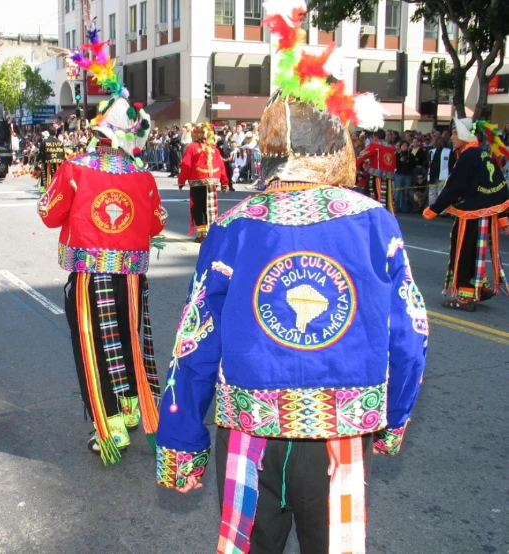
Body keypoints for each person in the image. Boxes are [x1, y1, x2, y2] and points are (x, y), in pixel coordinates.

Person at [156, 5, 428, 553]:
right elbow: (411, 331)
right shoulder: (373, 222)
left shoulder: (234, 226)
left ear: (270, 148)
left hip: (248, 437)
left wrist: (182, 440)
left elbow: (194, 343)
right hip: (340, 438)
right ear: (337, 145)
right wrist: (393, 417)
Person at [39, 29, 167, 464]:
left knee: (94, 346)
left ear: (99, 131)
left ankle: (109, 427)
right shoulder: (143, 176)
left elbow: (48, 213)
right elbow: (155, 224)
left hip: (90, 275)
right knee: (129, 341)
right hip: (131, 277)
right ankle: (132, 410)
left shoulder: (75, 168)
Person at [423, 118, 509, 311]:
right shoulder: (483, 154)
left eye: (454, 133)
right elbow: (501, 186)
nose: (451, 137)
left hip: (471, 213)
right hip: (485, 214)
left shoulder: (468, 155)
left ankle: (465, 297)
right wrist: (503, 218)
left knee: (463, 251)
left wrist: (433, 209)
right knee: (476, 251)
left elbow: (455, 187)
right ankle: (482, 286)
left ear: (464, 135)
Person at [178, 123, 229, 243]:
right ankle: (210, 232)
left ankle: (202, 234)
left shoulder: (192, 147)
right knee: (209, 207)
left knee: (199, 207)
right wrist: (224, 182)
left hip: (198, 180)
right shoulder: (214, 149)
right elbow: (221, 166)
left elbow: (186, 165)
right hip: (212, 181)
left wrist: (181, 181)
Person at [356, 129, 396, 213]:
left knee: (374, 196)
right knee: (386, 198)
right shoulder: (390, 147)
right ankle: (386, 214)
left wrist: (354, 167)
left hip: (376, 176)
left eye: (372, 137)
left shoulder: (375, 145)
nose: (371, 139)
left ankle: (376, 214)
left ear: (375, 136)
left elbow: (362, 156)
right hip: (388, 177)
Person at [37, 128, 65, 194]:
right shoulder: (59, 142)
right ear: (55, 132)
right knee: (57, 175)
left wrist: (37, 160)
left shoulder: (44, 141)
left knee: (45, 175)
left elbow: (41, 152)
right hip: (58, 162)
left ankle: (44, 189)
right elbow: (62, 153)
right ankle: (57, 188)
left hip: (47, 161)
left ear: (49, 133)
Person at [394, 141, 415, 213]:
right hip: (399, 174)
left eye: (406, 145)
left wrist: (408, 161)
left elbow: (413, 165)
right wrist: (400, 161)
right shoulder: (397, 154)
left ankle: (404, 208)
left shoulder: (411, 155)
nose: (404, 147)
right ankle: (396, 207)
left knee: (406, 192)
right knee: (397, 192)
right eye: (402, 145)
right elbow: (394, 164)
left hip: (408, 175)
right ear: (400, 146)